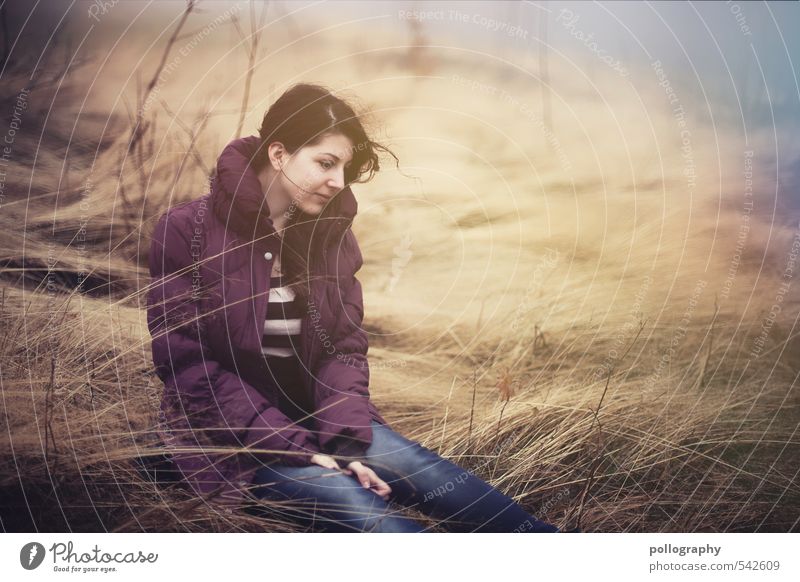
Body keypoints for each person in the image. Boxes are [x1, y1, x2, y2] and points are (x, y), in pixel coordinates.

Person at [146, 82, 562, 533]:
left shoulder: (329, 235)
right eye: (325, 163)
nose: (338, 181)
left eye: (344, 166)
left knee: (428, 474)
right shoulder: (187, 231)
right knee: (356, 503)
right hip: (234, 439)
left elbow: (341, 348)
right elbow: (190, 369)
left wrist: (343, 444)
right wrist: (302, 450)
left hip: (325, 417)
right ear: (280, 154)